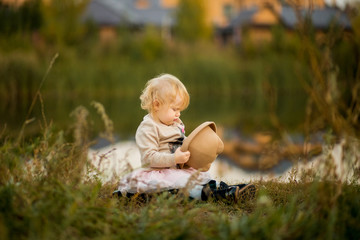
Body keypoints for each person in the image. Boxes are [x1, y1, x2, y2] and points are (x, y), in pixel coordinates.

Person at [114, 74, 255, 202]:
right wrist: (174, 159)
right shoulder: (148, 128)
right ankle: (214, 195)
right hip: (159, 173)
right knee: (183, 187)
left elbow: (183, 143)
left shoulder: (175, 124)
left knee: (199, 177)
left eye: (180, 110)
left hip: (178, 169)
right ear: (156, 105)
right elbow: (148, 158)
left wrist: (196, 150)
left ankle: (225, 188)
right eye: (175, 109)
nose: (178, 114)